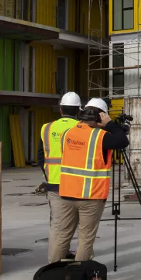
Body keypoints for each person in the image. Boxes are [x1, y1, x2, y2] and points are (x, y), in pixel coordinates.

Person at [50, 98, 129, 263]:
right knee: (85, 238)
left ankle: (53, 271)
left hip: (66, 194)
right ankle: (80, 275)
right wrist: (110, 125)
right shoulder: (101, 136)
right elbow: (122, 141)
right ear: (100, 116)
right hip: (91, 196)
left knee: (62, 235)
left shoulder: (67, 134)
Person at [37, 92, 82, 261]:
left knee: (57, 225)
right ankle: (70, 259)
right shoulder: (82, 128)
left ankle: (56, 259)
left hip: (54, 183)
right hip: (77, 183)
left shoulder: (46, 128)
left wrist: (49, 174)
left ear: (61, 109)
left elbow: (41, 157)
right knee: (78, 224)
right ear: (78, 110)